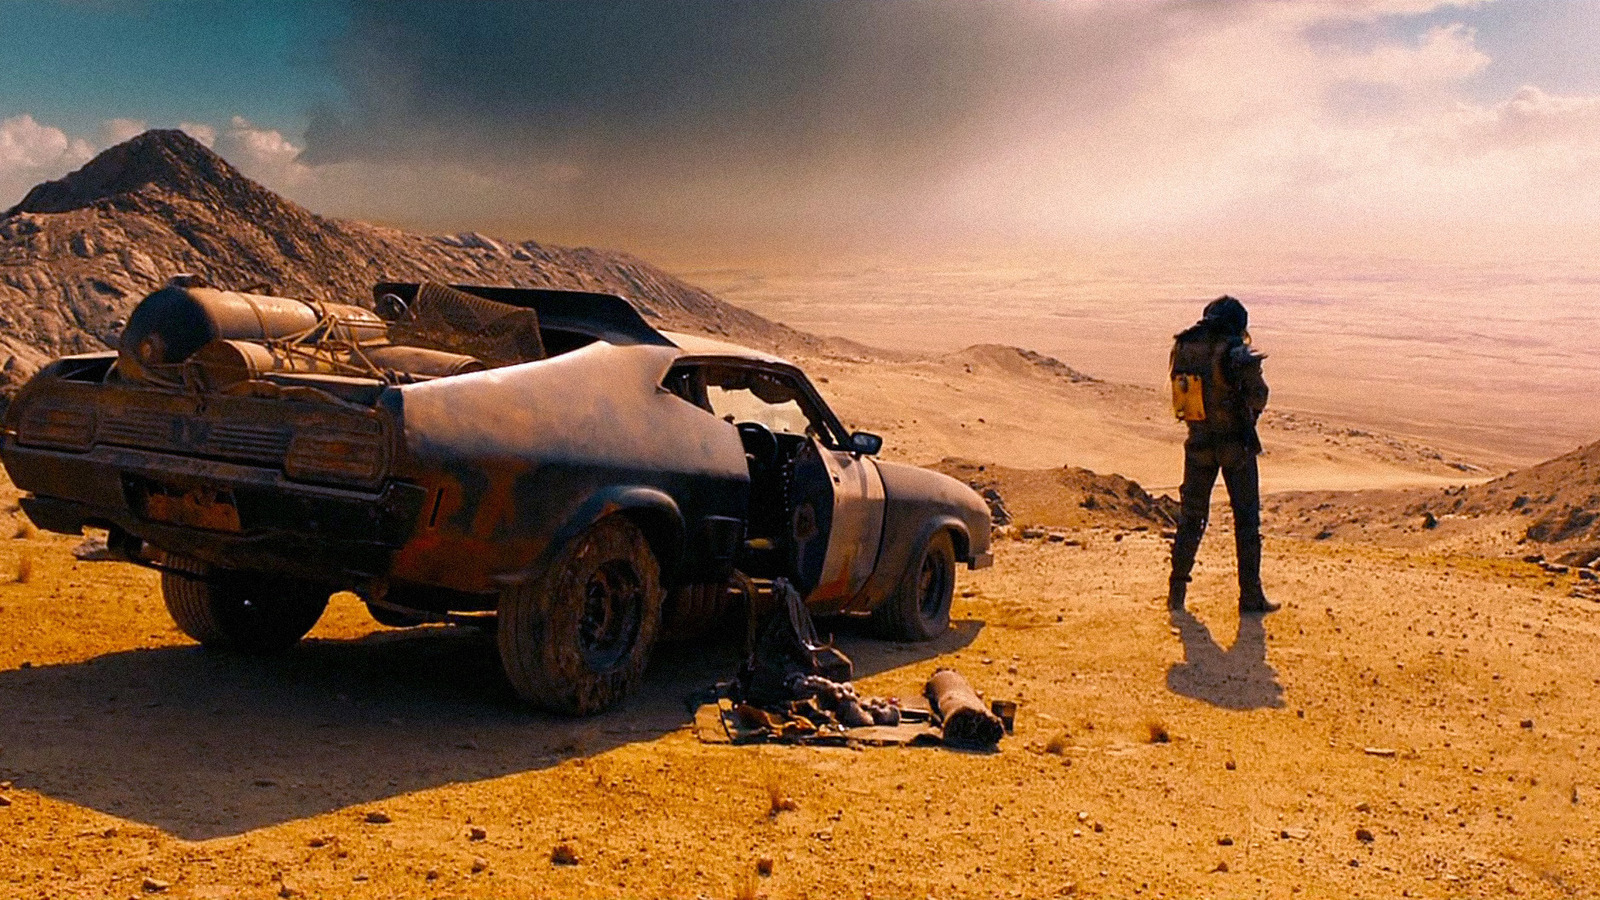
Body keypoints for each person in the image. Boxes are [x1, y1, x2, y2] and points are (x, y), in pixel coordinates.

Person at [1167, 296, 1278, 614]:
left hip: (1198, 442)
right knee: (1246, 520)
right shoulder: (1235, 350)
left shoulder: (1184, 345)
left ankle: (1176, 593)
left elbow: (1182, 395)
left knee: (1191, 518)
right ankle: (1250, 596)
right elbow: (1259, 395)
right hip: (1235, 445)